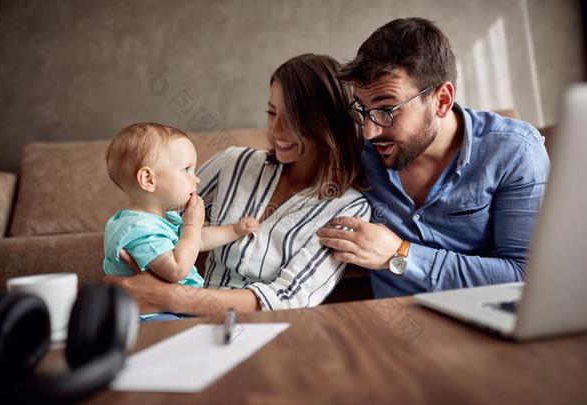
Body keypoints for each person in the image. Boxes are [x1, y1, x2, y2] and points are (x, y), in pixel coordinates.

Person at [104, 54, 371, 315]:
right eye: (271, 112)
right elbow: (159, 218)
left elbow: (289, 298)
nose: (276, 130)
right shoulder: (234, 162)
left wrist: (171, 298)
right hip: (183, 320)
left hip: (262, 328)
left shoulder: (349, 209)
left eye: (293, 119)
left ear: (326, 124)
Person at [317, 18, 550, 298]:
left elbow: (526, 276)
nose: (369, 131)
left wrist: (399, 254)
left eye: (387, 110)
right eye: (363, 109)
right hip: (389, 325)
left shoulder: (514, 151)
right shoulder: (355, 150)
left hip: (486, 321)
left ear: (442, 100)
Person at [103, 122, 258, 320]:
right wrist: (192, 225)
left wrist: (234, 230)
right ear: (149, 180)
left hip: (172, 308)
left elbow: (197, 241)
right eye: (186, 169)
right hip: (149, 315)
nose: (196, 179)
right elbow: (177, 268)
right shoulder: (138, 229)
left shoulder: (164, 219)